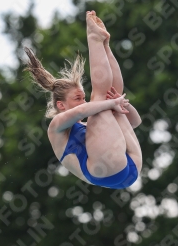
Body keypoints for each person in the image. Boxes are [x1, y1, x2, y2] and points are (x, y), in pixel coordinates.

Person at [23, 10, 142, 189]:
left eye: (84, 98)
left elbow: (135, 121)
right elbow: (81, 111)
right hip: (105, 171)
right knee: (102, 99)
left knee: (110, 95)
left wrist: (120, 102)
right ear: (61, 105)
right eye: (78, 98)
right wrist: (111, 103)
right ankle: (94, 39)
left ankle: (103, 44)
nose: (84, 102)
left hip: (130, 166)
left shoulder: (92, 128)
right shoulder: (56, 127)